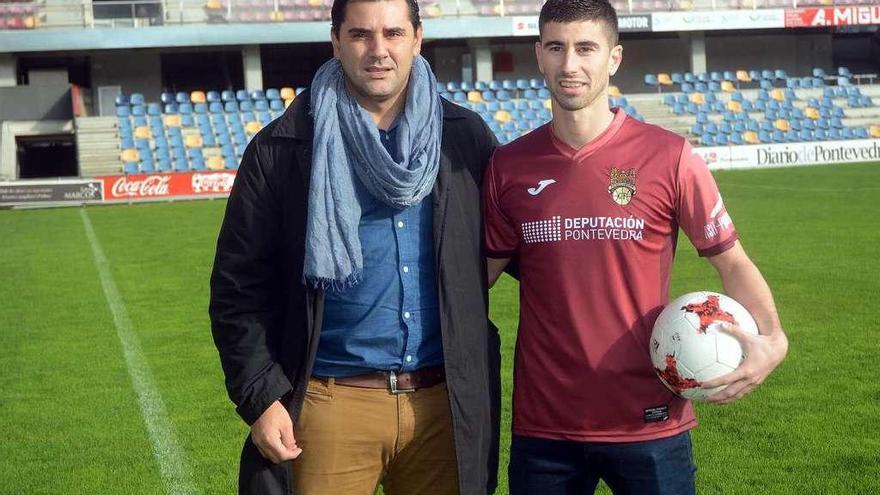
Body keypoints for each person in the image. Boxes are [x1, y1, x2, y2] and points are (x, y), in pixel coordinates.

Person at [483, 1, 789, 493]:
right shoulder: (509, 166)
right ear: (539, 55)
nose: (570, 65)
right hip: (545, 426)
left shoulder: (669, 157)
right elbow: (476, 277)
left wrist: (774, 339)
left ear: (614, 58)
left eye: (586, 48)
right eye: (557, 48)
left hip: (650, 419)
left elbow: (731, 261)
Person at [209, 1, 500, 494]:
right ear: (336, 41)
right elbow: (238, 287)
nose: (379, 50)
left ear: (417, 38)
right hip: (329, 405)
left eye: (393, 33)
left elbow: (520, 242)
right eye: (361, 35)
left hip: (443, 404)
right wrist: (261, 398)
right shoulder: (283, 146)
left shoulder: (464, 138)